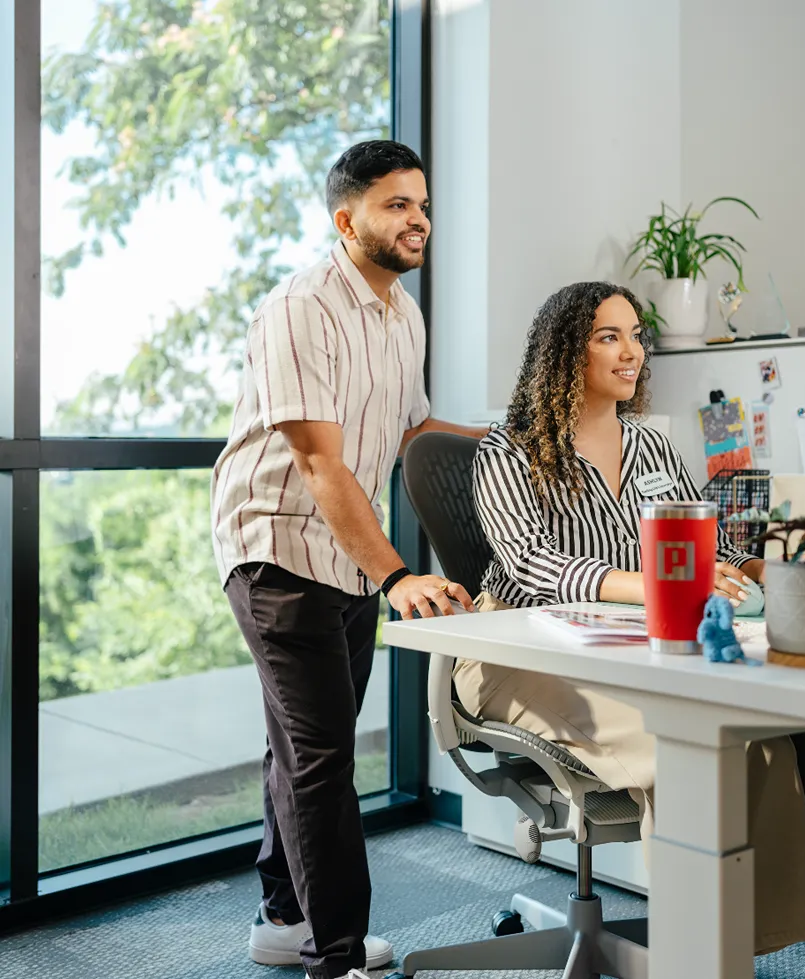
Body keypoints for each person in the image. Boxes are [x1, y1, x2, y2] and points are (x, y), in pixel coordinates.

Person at [458, 281, 805, 955]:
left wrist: (767, 572)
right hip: (519, 651)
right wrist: (655, 584)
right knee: (680, 743)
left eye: (637, 335)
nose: (632, 351)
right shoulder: (508, 451)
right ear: (564, 352)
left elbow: (707, 541)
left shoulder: (653, 447)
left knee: (756, 737)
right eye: (610, 336)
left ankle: (746, 943)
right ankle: (698, 953)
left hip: (627, 641)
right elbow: (531, 566)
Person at [211, 140, 483, 979]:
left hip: (347, 556)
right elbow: (321, 462)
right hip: (277, 544)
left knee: (301, 743)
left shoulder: (404, 313)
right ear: (347, 217)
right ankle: (339, 958)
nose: (418, 220)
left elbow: (411, 432)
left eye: (424, 204)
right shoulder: (302, 307)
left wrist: (517, 441)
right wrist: (399, 574)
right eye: (397, 204)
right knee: (323, 752)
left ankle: (283, 913)